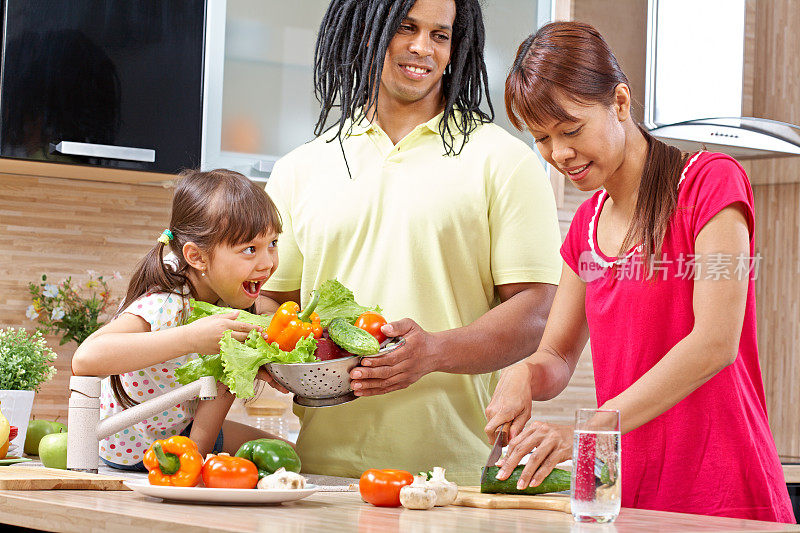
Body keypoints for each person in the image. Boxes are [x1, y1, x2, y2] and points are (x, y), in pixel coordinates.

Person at [484, 22, 794, 522]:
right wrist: (524, 373)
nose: (559, 153)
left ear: (620, 103)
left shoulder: (710, 184)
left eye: (571, 130)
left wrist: (592, 429)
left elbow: (715, 342)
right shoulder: (584, 227)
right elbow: (558, 355)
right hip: (626, 497)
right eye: (542, 138)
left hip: (723, 492)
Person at [259, 0, 562, 485]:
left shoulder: (504, 160)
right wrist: (272, 354)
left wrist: (433, 352)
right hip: (318, 476)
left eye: (439, 35)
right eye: (405, 28)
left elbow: (536, 311)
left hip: (451, 480)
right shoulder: (299, 168)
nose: (422, 47)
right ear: (365, 34)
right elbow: (273, 299)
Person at [72, 169, 285, 471]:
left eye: (273, 243)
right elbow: (85, 359)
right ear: (197, 258)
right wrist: (191, 338)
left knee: (289, 456)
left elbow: (219, 387)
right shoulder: (166, 303)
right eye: (250, 249)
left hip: (180, 434)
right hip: (128, 445)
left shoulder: (227, 296)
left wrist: (196, 457)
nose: (267, 263)